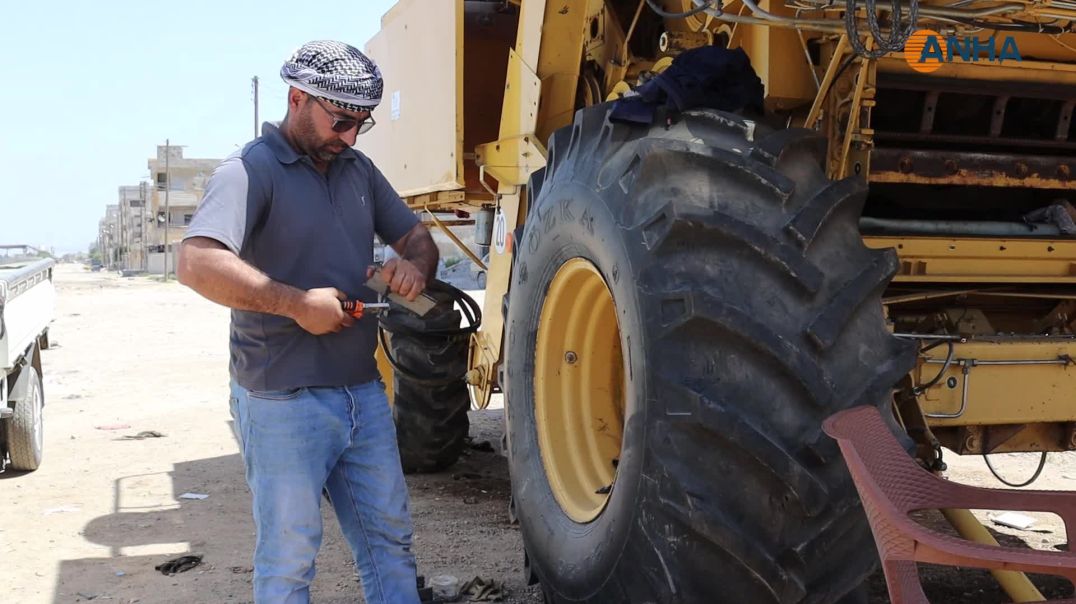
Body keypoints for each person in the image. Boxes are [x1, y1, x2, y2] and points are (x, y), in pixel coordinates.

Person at [176, 40, 438, 604]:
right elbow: (196, 262)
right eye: (341, 121)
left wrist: (412, 268)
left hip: (361, 395)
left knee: (390, 543)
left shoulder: (357, 169)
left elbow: (415, 236)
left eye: (360, 125)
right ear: (298, 98)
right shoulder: (251, 170)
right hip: (281, 401)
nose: (348, 137)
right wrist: (297, 304)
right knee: (291, 559)